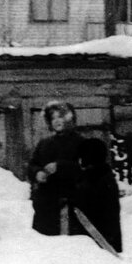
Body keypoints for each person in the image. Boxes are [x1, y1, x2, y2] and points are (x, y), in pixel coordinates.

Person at [26, 100, 84, 236]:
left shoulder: (80, 142)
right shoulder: (44, 144)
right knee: (45, 245)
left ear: (69, 118)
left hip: (71, 203)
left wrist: (60, 166)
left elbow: (85, 169)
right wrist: (37, 173)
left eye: (61, 116)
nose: (57, 121)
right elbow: (32, 165)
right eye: (53, 118)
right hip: (46, 204)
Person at [72, 136, 123, 253]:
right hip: (102, 238)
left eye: (81, 156)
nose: (79, 161)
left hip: (99, 239)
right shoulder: (101, 176)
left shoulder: (96, 179)